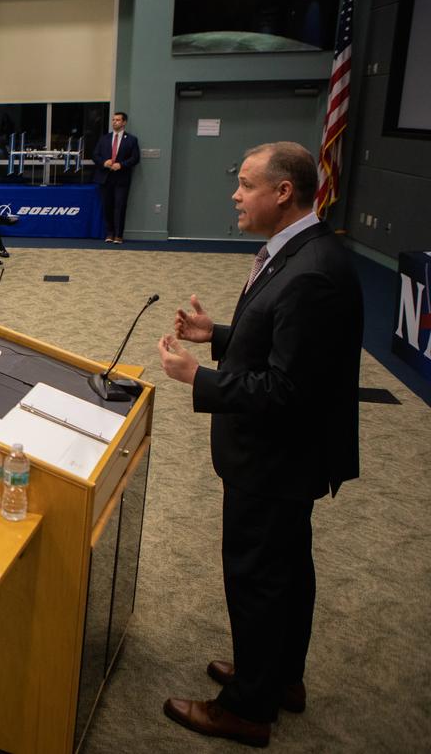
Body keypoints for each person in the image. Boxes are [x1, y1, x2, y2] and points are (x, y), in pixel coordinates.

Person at [157, 142, 363, 748]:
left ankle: (248, 707)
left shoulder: (314, 271)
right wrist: (217, 333)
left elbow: (285, 390)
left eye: (246, 185)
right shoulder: (297, 251)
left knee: (259, 577)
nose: (235, 195)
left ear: (283, 193)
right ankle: (277, 678)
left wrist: (202, 376)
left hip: (276, 458)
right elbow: (277, 341)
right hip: (283, 457)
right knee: (286, 573)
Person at [93, 111, 140, 244]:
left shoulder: (131, 140)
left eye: (118, 120)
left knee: (120, 206)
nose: (115, 122)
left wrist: (121, 165)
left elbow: (135, 158)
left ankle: (118, 235)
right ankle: (109, 233)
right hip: (105, 177)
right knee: (107, 206)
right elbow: (95, 155)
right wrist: (104, 162)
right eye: (113, 120)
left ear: (124, 122)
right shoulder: (104, 138)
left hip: (121, 178)